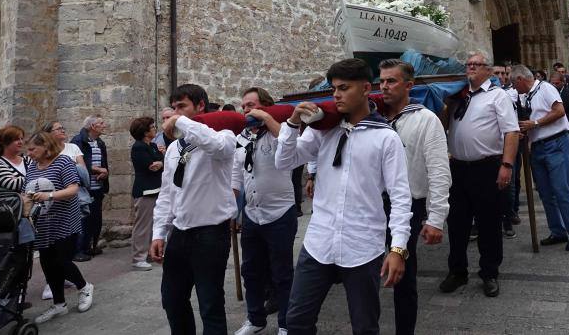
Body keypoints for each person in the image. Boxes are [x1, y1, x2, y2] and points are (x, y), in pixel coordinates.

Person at [275, 58, 412, 334]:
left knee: (364, 327)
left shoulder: (386, 138)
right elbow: (284, 161)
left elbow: (400, 197)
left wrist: (398, 248)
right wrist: (291, 124)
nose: (336, 94)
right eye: (333, 88)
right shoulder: (322, 131)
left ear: (365, 88)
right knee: (297, 321)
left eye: (344, 87)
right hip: (318, 242)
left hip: (362, 245)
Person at [150, 84, 237, 334]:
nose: (175, 114)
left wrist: (182, 121)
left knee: (210, 304)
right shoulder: (174, 149)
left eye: (182, 107)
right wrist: (159, 232)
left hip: (210, 234)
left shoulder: (223, 135)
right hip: (180, 232)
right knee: (172, 300)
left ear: (200, 106)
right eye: (173, 108)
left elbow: (219, 147)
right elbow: (167, 193)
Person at [378, 59, 451, 334]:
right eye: (382, 81)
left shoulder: (425, 120)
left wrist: (435, 218)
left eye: (391, 81)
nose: (384, 86)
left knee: (404, 274)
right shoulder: (374, 119)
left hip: (409, 205)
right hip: (373, 204)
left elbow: (439, 171)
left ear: (408, 85)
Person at [440, 52, 519, 298]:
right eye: (469, 64)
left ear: (487, 70)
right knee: (457, 222)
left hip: (487, 167)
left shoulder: (498, 96)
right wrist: (446, 103)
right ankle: (457, 271)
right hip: (459, 168)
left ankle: (489, 272)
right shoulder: (458, 97)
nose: (471, 68)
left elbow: (511, 132)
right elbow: (443, 123)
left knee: (488, 223)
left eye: (477, 65)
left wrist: (506, 165)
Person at [231, 87, 297, 335]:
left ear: (264, 106)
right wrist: (232, 208)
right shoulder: (242, 138)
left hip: (280, 213)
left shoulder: (278, 132)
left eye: (251, 105)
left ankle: (286, 324)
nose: (245, 109)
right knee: (251, 271)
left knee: (281, 272)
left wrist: (268, 118)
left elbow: (290, 144)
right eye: (243, 106)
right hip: (252, 214)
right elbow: (236, 175)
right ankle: (255, 319)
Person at [512, 65, 569, 251]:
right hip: (537, 147)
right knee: (545, 193)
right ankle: (557, 230)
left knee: (561, 190)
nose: (513, 87)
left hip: (556, 143)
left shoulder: (545, 88)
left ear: (521, 79)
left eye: (514, 83)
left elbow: (559, 111)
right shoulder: (523, 96)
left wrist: (535, 123)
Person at [26, 131, 94, 324]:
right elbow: (27, 188)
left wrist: (49, 196)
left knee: (62, 260)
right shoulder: (32, 165)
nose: (28, 153)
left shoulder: (63, 162)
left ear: (46, 147)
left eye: (32, 149)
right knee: (47, 264)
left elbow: (73, 189)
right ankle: (59, 304)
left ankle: (84, 287)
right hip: (43, 224)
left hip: (64, 221)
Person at [71, 115, 109, 258]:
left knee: (95, 219)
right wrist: (98, 170)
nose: (104, 125)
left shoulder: (100, 142)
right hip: (84, 189)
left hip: (97, 187)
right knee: (84, 220)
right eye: (101, 123)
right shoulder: (77, 141)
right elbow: (77, 163)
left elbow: (103, 163)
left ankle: (90, 247)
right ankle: (79, 250)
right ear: (93, 126)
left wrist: (104, 174)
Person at [129, 116, 164, 271]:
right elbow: (151, 166)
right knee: (143, 225)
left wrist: (161, 161)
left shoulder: (153, 145)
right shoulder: (139, 147)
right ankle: (138, 258)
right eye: (152, 126)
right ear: (144, 131)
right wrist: (160, 161)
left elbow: (160, 163)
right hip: (145, 191)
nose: (154, 128)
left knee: (153, 224)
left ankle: (149, 253)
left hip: (155, 189)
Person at [0, 125, 28, 195]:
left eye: (21, 139)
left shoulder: (28, 160)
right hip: (5, 204)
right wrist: (36, 175)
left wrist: (19, 178)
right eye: (16, 139)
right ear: (4, 142)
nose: (20, 142)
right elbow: (12, 185)